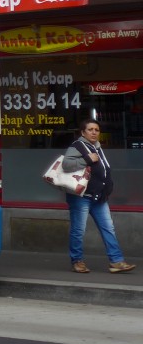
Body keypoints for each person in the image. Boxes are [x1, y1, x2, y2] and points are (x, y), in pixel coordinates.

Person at [62, 116, 136, 273]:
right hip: (81, 197)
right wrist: (87, 159)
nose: (94, 132)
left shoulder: (97, 147)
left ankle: (116, 261)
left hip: (99, 197)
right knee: (78, 230)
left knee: (108, 228)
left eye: (96, 130)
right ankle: (77, 261)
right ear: (83, 132)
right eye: (90, 130)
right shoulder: (77, 146)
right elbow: (66, 164)